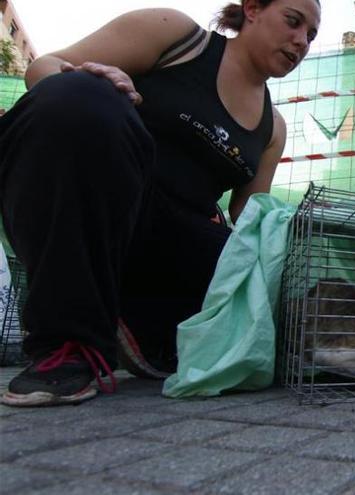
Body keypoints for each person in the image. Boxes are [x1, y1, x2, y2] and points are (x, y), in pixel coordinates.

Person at [0, 0, 321, 407]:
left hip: (174, 238)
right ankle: (67, 344)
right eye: (293, 22)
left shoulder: (273, 127)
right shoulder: (175, 35)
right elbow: (42, 69)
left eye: (310, 36)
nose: (300, 41)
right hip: (101, 201)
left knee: (245, 266)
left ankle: (146, 332)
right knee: (79, 94)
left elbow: (249, 219)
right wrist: (92, 79)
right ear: (253, 9)